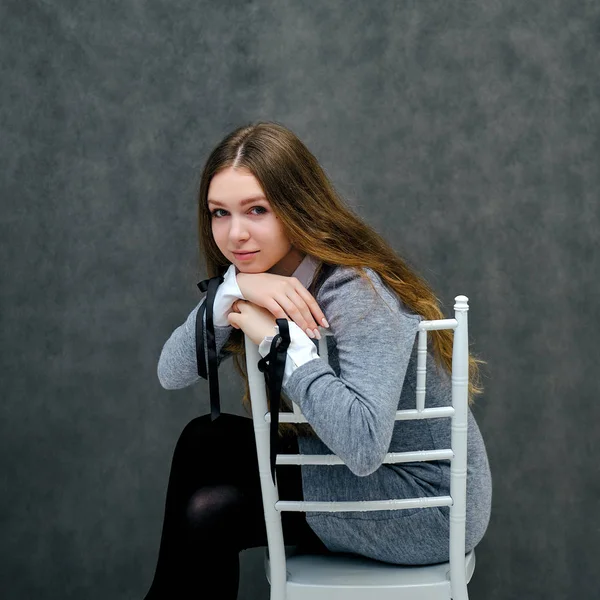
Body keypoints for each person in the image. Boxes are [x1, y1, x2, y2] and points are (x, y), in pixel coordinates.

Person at [144, 122, 492, 599]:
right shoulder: (255, 277)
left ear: (296, 208)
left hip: (424, 504)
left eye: (257, 210)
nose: (235, 233)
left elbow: (364, 446)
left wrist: (278, 341)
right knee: (202, 440)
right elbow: (172, 371)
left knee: (211, 510)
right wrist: (233, 290)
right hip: (362, 475)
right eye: (219, 213)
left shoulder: (356, 293)